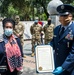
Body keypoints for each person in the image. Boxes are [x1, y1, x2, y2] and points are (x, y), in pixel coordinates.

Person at [48, 4, 74, 75]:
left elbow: (73, 52)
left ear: (70, 16)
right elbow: (54, 42)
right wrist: (46, 47)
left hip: (69, 68)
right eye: (61, 15)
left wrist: (64, 67)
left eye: (65, 15)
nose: (62, 18)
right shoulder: (57, 29)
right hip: (57, 64)